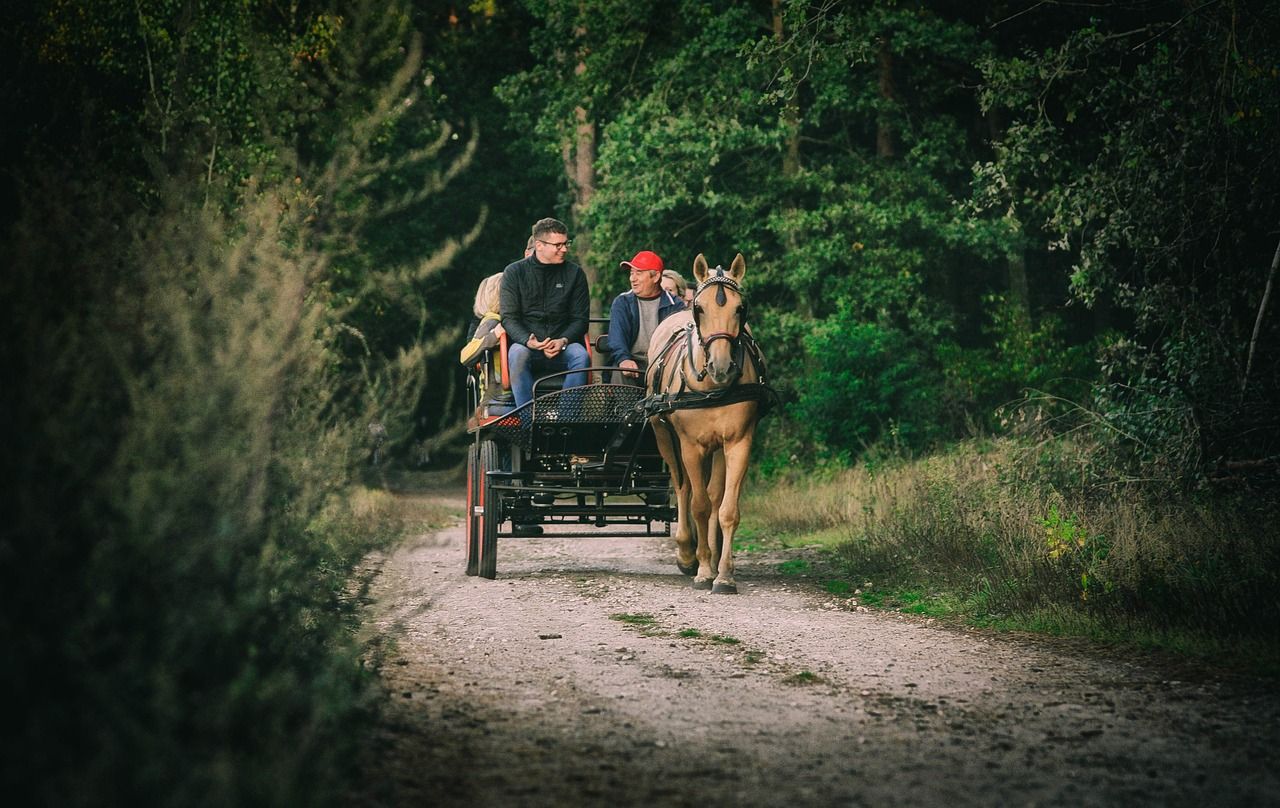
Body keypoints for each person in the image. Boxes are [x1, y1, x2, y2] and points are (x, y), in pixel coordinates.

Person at [500, 218, 591, 407]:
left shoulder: (575, 273)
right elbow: (509, 318)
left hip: (564, 344)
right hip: (527, 345)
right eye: (558, 245)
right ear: (539, 245)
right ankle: (528, 419)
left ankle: (567, 420)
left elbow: (580, 319)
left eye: (566, 243)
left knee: (581, 356)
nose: (564, 249)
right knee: (517, 354)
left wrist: (563, 340)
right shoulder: (514, 272)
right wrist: (528, 340)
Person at [607, 250, 686, 384]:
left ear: (655, 277)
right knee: (620, 372)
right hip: (633, 362)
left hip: (665, 364)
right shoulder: (622, 302)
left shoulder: (675, 305)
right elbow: (617, 338)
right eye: (631, 273)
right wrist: (624, 359)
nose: (632, 278)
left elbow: (681, 342)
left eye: (639, 273)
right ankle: (628, 406)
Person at [459, 272, 512, 425]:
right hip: (500, 397)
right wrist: (494, 336)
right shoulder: (492, 322)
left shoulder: (510, 321)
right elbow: (465, 356)